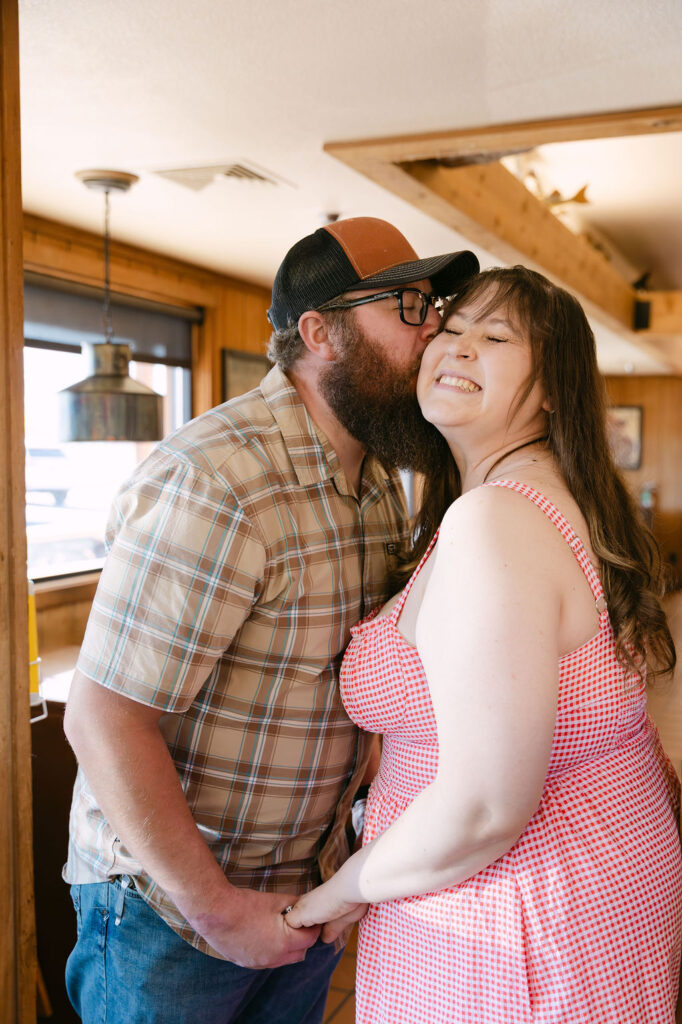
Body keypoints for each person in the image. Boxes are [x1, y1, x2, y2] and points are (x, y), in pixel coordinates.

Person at [62, 216, 479, 1024]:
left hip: (303, 896)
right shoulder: (220, 478)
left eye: (432, 302)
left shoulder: (379, 479)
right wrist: (217, 909)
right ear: (320, 332)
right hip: (173, 914)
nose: (432, 329)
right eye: (405, 303)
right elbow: (105, 719)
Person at [285, 266, 682, 1023]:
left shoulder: (497, 519)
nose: (459, 349)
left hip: (516, 915)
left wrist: (332, 896)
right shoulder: (533, 499)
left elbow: (484, 806)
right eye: (452, 330)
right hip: (578, 885)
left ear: (552, 391)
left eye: (495, 337)